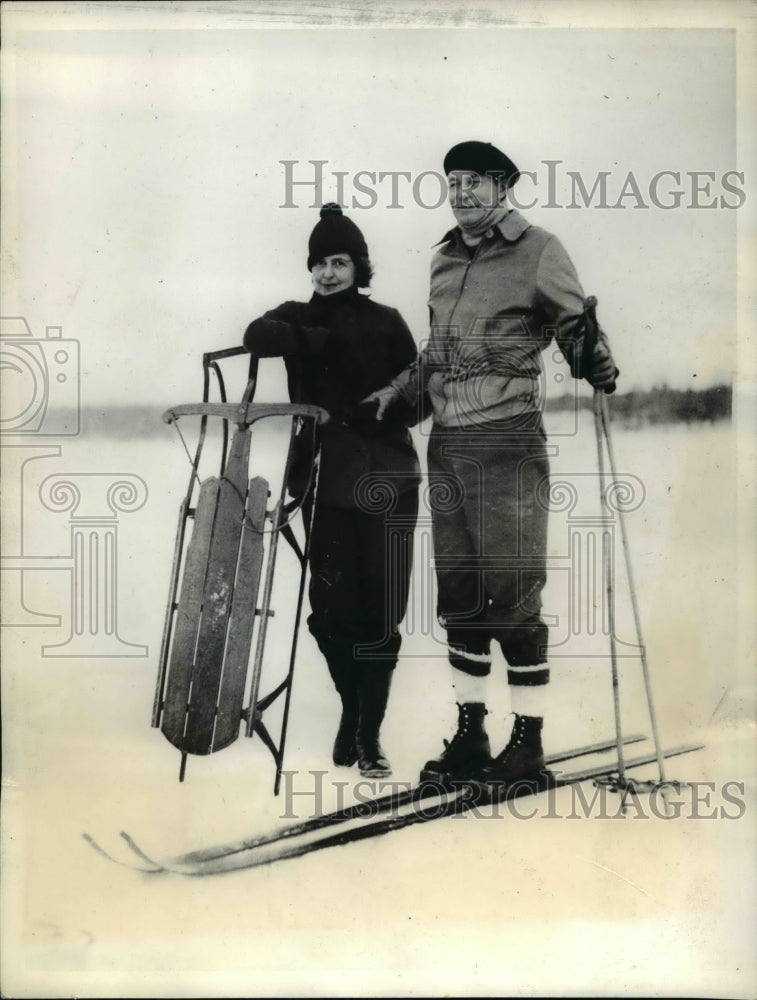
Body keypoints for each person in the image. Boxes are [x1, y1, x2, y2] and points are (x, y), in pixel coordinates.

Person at [366, 140, 619, 790]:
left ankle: (526, 743)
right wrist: (396, 395)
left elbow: (573, 326)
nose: (463, 193)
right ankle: (471, 732)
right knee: (459, 598)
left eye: (475, 181)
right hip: (447, 447)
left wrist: (595, 357)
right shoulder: (443, 258)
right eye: (453, 182)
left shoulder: (537, 248)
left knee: (510, 595)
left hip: (506, 443)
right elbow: (436, 353)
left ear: (503, 186)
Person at [243, 204, 420, 778]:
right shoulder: (295, 315)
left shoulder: (389, 320)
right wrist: (312, 341)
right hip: (323, 482)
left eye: (339, 261)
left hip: (389, 477)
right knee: (328, 614)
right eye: (319, 262)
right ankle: (354, 710)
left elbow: (418, 393)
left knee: (382, 613)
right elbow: (255, 335)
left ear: (358, 265)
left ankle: (368, 736)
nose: (327, 273)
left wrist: (383, 408)